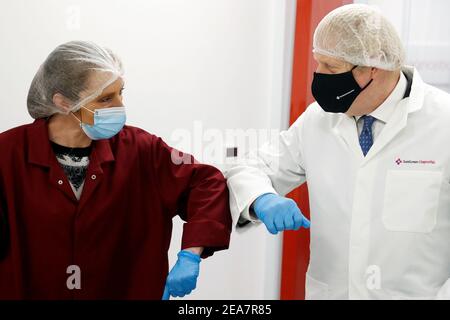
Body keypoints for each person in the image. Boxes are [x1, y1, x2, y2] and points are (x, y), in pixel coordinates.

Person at [226, 4, 450, 299]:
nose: (319, 76)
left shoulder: (442, 122)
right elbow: (251, 167)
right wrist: (261, 198)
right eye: (319, 63)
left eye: (331, 68)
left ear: (374, 66)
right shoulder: (318, 120)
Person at [0, 41, 232, 300]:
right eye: (105, 98)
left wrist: (191, 254)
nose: (119, 106)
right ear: (63, 102)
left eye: (121, 93)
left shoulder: (143, 150)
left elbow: (206, 183)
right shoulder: (7, 155)